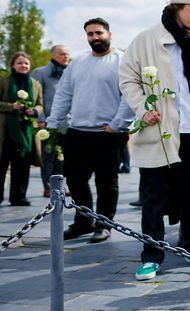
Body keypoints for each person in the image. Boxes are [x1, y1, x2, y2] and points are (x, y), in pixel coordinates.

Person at [119, 0, 190, 281]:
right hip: (161, 130)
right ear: (177, 6)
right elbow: (128, 77)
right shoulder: (147, 39)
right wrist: (142, 109)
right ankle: (151, 255)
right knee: (154, 196)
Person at [47, 18, 133, 243]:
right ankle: (84, 221)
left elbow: (129, 96)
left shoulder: (122, 60)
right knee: (75, 180)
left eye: (98, 33)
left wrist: (117, 124)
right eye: (90, 34)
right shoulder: (78, 61)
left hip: (107, 132)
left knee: (106, 182)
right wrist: (54, 122)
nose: (95, 37)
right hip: (77, 131)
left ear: (109, 34)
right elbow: (64, 93)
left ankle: (104, 224)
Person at [0, 52, 43, 205]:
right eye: (19, 63)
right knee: (2, 164)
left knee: (23, 165)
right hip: (5, 131)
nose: (23, 66)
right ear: (13, 65)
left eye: (26, 63)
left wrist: (36, 111)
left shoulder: (35, 84)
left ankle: (19, 197)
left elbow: (40, 104)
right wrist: (12, 106)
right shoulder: (4, 81)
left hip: (27, 132)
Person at [31, 44, 70, 197]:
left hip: (67, 123)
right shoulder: (39, 72)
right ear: (53, 55)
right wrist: (40, 119)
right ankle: (48, 186)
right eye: (62, 54)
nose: (66, 56)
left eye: (67, 54)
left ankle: (60, 186)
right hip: (47, 122)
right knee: (48, 156)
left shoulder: (70, 72)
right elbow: (35, 98)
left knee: (62, 156)